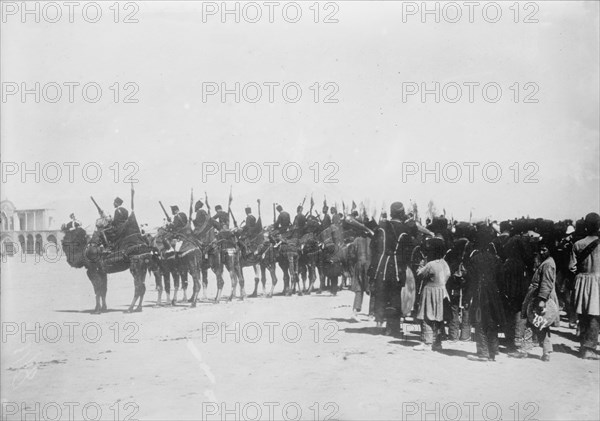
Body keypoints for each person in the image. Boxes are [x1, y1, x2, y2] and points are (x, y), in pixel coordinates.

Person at [371, 202, 417, 335]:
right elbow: (408, 250)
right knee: (395, 296)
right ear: (402, 213)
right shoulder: (404, 229)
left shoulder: (382, 227)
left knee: (383, 295)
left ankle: (383, 323)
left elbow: (374, 247)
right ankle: (393, 327)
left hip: (382, 266)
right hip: (397, 267)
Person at [509, 239, 559, 361]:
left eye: (544, 249)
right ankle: (546, 351)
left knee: (531, 323)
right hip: (540, 296)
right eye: (540, 249)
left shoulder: (547, 264)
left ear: (550, 250)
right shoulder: (547, 262)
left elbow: (546, 284)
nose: (542, 252)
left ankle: (525, 350)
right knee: (541, 323)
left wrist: (541, 301)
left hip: (541, 297)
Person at [465, 225, 505, 362]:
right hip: (494, 295)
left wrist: (466, 299)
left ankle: (483, 352)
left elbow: (470, 282)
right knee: (492, 322)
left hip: (480, 294)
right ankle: (493, 351)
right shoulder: (497, 260)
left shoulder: (474, 259)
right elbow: (501, 281)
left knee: (480, 321)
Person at [569, 212, 600, 360]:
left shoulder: (577, 244)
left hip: (581, 281)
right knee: (595, 315)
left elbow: (572, 268)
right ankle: (590, 348)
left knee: (583, 314)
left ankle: (583, 345)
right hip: (597, 282)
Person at [414, 237, 451, 351]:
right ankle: (437, 342)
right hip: (442, 291)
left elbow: (420, 274)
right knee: (438, 318)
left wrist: (420, 265)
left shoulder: (430, 264)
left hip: (429, 291)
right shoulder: (444, 263)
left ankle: (427, 342)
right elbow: (448, 274)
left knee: (427, 316)